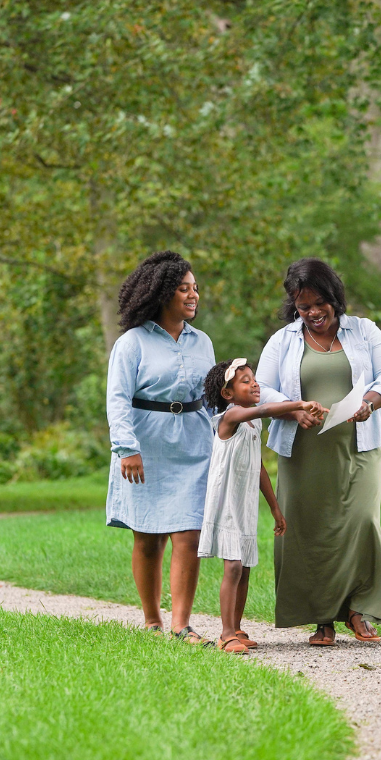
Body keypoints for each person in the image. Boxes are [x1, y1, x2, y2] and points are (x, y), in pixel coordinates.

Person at [256, 258, 381, 646]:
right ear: (294, 306)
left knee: (361, 523)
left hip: (359, 448)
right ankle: (322, 619)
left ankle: (359, 609)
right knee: (308, 530)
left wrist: (369, 401)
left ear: (334, 297)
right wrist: (293, 408)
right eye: (304, 306)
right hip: (303, 452)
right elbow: (260, 388)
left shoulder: (364, 331)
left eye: (320, 303)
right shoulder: (283, 340)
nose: (314, 312)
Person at [105, 251, 217, 646]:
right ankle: (152, 620)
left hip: (192, 444)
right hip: (145, 445)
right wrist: (126, 448)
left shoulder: (202, 342)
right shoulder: (132, 343)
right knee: (148, 536)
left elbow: (212, 398)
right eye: (184, 288)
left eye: (195, 288)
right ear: (163, 293)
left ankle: (181, 624)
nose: (194, 295)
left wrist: (229, 431)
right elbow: (117, 399)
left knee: (188, 534)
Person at [197, 357, 326, 654]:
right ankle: (226, 634)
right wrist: (299, 404)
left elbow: (257, 468)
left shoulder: (252, 424)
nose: (254, 383)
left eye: (254, 378)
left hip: (245, 504)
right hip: (227, 501)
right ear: (228, 394)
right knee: (232, 567)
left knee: (244, 568)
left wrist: (275, 508)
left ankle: (237, 627)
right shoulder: (230, 418)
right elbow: (267, 409)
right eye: (245, 381)